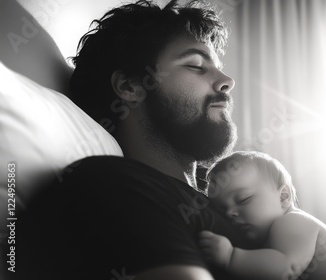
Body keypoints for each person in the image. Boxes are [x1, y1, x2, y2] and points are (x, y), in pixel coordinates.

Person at [9, 1, 247, 280]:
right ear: (129, 87)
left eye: (218, 66)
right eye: (196, 65)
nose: (227, 80)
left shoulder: (236, 204)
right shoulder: (110, 185)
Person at [200, 151, 326, 280]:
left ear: (283, 197)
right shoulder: (265, 244)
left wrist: (230, 256)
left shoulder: (292, 222)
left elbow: (286, 269)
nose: (229, 213)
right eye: (221, 209)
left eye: (243, 199)